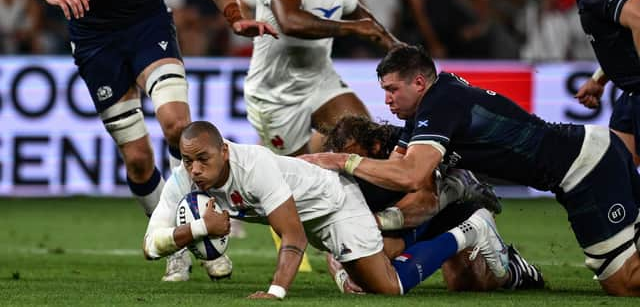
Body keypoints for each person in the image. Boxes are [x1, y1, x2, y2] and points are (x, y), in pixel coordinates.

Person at [0, 0, 276, 282]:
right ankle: (174, 239)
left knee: (178, 127)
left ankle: (199, 235)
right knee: (138, 159)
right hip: (96, 43)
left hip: (149, 31)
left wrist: (234, 17)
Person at [302, 44, 640, 296]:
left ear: (419, 83)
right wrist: (369, 218)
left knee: (623, 283)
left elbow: (412, 175)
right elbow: (398, 174)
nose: (387, 100)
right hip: (584, 157)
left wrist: (340, 161)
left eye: (392, 89)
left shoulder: (441, 102)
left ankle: (470, 214)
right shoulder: (424, 113)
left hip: (587, 166)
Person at [143, 120, 511, 299]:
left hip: (335, 203)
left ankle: (471, 227)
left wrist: (276, 292)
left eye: (203, 159)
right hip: (312, 214)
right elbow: (149, 246)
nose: (195, 170)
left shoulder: (253, 166)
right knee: (372, 271)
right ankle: (444, 209)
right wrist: (196, 230)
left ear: (224, 150)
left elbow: (292, 235)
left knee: (387, 287)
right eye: (189, 162)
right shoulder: (185, 179)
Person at [321, 114, 544, 293]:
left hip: (446, 212)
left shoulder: (407, 149)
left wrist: (374, 221)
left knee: (468, 284)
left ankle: (514, 271)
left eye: (352, 159)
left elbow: (425, 203)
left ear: (376, 147)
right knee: (370, 254)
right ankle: (457, 187)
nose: (348, 167)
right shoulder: (341, 174)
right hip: (408, 222)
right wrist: (343, 276)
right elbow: (336, 233)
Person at [244, 0, 399, 156]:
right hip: (275, 94)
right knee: (296, 175)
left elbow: (358, 12)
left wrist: (394, 44)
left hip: (319, 79)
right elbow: (290, 21)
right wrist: (352, 29)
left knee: (367, 141)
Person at [540, 0, 640, 165]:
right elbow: (622, 37)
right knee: (617, 171)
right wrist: (599, 78)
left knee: (616, 174)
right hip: (632, 91)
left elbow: (638, 17)